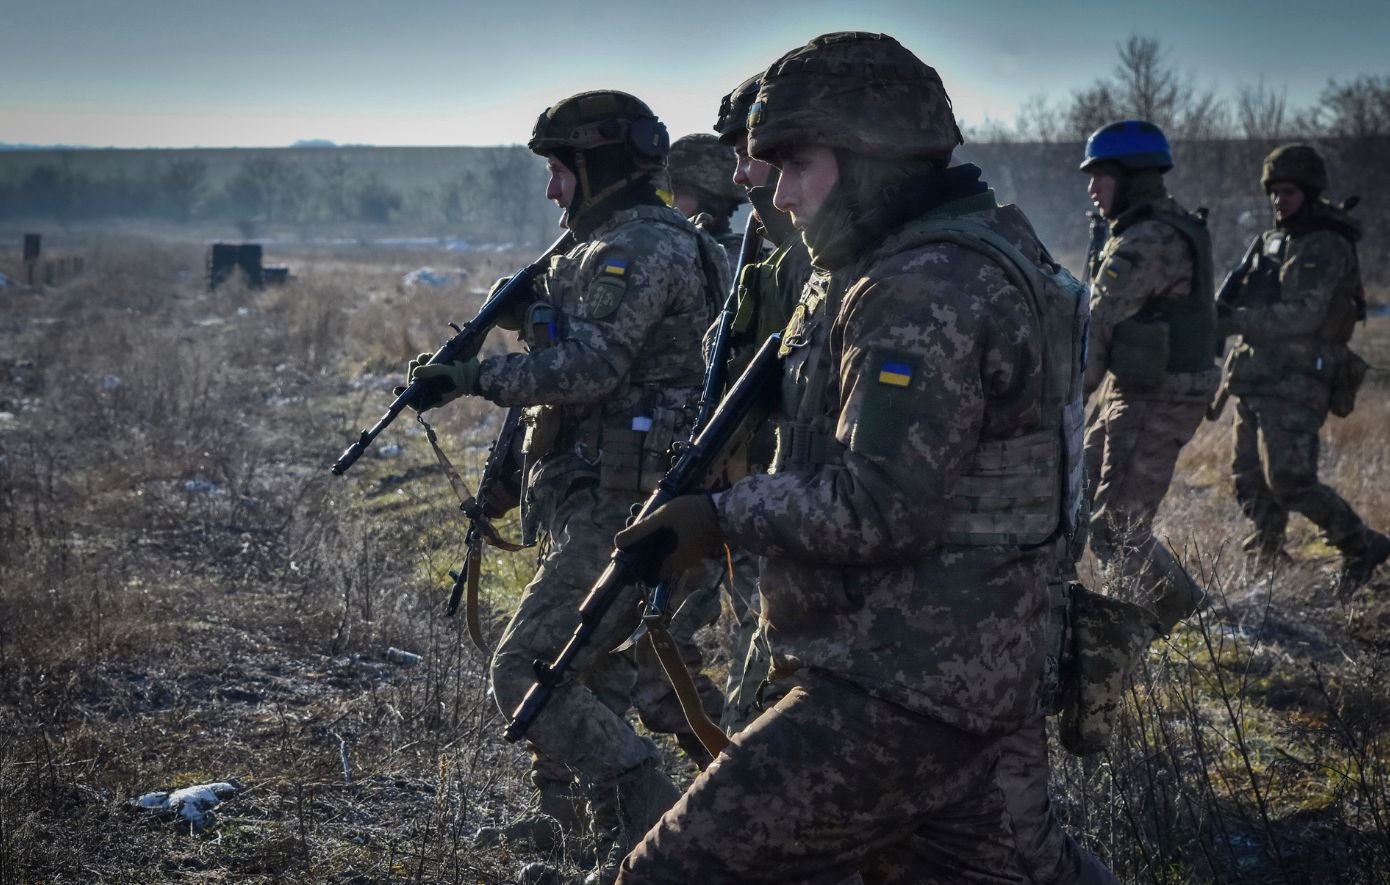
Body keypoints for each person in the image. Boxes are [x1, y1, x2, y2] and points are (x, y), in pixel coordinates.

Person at [611, 32, 1098, 884]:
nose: (778, 193)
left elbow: (883, 503)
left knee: (672, 871)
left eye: (797, 164)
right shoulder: (967, 250)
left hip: (896, 685)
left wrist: (716, 516)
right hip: (974, 668)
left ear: (872, 158)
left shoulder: (921, 284)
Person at [405, 89, 729, 881]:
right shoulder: (600, 246)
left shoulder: (640, 249)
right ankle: (590, 833)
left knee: (526, 668)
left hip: (630, 507)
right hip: (599, 498)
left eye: (560, 171)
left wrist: (472, 375)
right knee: (587, 670)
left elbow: (591, 368)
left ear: (601, 166)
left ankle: (662, 832)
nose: (552, 190)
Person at [1220, 143, 1390, 589]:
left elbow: (1303, 316)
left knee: (1291, 479)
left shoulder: (1324, 245)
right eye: (1273, 192)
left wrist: (1232, 321)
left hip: (1299, 377)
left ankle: (1360, 545)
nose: (1278, 200)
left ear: (1310, 193)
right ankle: (1267, 556)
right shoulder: (1276, 240)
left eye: (1289, 191)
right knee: (1249, 475)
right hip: (1258, 372)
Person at [1078, 120, 1214, 623]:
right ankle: (1190, 612)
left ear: (1131, 176)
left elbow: (1100, 321)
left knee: (1118, 527)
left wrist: (1065, 403)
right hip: (1135, 386)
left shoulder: (1148, 238)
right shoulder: (1156, 225)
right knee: (1086, 493)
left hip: (1157, 394)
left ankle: (1152, 629)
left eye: (1101, 176)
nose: (1092, 189)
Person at [667, 133, 748, 272]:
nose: (668, 200)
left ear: (711, 204)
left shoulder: (730, 262)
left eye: (677, 191)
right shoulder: (668, 246)